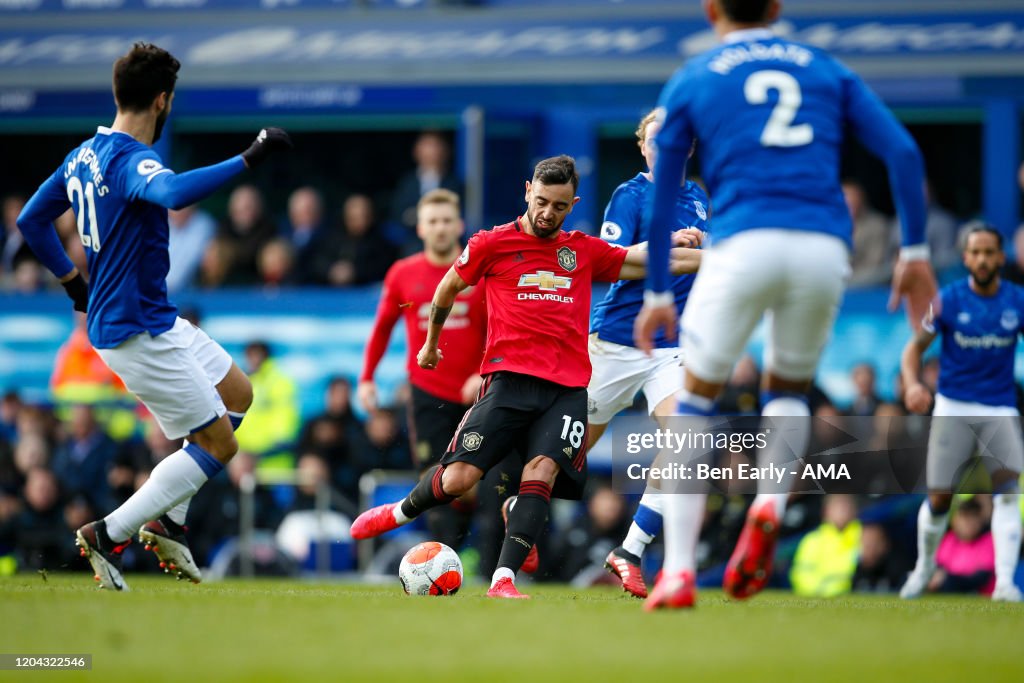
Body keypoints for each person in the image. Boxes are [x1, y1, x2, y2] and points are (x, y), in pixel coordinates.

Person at [636, 0, 937, 609]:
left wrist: (661, 290)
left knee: (694, 400)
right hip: (823, 247)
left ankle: (678, 573)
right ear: (776, 8)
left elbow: (666, 189)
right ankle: (770, 504)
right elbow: (904, 152)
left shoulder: (696, 74)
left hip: (743, 240)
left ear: (710, 9)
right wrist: (915, 251)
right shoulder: (824, 66)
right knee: (789, 390)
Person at [350, 155, 701, 598]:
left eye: (558, 205)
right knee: (459, 481)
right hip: (508, 383)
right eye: (540, 201)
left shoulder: (581, 251)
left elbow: (641, 260)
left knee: (542, 473)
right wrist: (430, 344)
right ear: (526, 192)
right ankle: (399, 512)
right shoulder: (490, 244)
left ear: (571, 203)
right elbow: (447, 288)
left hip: (567, 390)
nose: (547, 212)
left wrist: (713, 257)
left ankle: (503, 579)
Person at [16, 42, 291, 590]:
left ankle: (171, 520)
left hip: (151, 317)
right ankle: (110, 532)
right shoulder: (131, 160)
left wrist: (74, 284)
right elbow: (171, 191)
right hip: (135, 330)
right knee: (221, 446)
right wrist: (249, 157)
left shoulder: (83, 156)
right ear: (162, 101)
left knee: (238, 394)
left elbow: (31, 220)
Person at [586, 109, 710, 598]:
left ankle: (629, 551)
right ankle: (518, 516)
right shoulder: (629, 195)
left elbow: (708, 262)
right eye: (655, 139)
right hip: (617, 341)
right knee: (567, 453)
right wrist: (671, 247)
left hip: (671, 347)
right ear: (643, 147)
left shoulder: (699, 199)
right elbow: (609, 265)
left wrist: (700, 249)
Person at [358, 188, 487, 549]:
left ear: (459, 224)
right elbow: (382, 327)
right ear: (421, 228)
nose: (441, 228)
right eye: (433, 221)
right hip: (428, 393)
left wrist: (482, 372)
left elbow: (499, 329)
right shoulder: (403, 274)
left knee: (486, 480)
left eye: (447, 220)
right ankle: (443, 565)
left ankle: (493, 568)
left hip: (481, 393)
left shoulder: (480, 271)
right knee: (434, 480)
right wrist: (367, 377)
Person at [899, 224, 1022, 602]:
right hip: (953, 405)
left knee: (1007, 493)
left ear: (1001, 258)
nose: (983, 259)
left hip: (1000, 406)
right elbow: (913, 351)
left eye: (990, 252)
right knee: (940, 498)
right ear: (966, 258)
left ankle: (1004, 583)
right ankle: (924, 570)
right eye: (976, 252)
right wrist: (914, 384)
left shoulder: (1017, 300)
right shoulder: (948, 300)